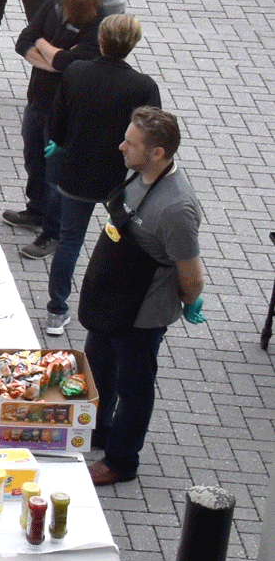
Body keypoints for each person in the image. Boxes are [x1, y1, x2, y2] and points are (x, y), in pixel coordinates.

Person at [78, 107, 204, 487]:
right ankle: (99, 431)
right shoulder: (141, 172)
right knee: (99, 369)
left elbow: (192, 276)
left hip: (141, 314)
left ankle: (121, 460)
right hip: (111, 299)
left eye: (130, 144)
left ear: (158, 154)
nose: (121, 147)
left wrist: (189, 300)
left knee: (134, 388)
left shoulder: (177, 208)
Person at [41, 13, 158, 336]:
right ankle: (117, 312)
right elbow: (153, 135)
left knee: (69, 242)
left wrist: (60, 143)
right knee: (122, 247)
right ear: (133, 45)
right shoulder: (143, 87)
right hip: (120, 182)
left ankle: (56, 311)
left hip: (76, 174)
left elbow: (58, 120)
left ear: (102, 41)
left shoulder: (77, 72)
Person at [3, 0, 105, 258]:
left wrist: (45, 48)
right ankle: (36, 210)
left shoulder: (100, 22)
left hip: (69, 112)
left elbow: (71, 62)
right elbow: (24, 41)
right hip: (38, 101)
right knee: (34, 158)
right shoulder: (53, 7)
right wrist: (52, 59)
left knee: (56, 170)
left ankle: (53, 232)